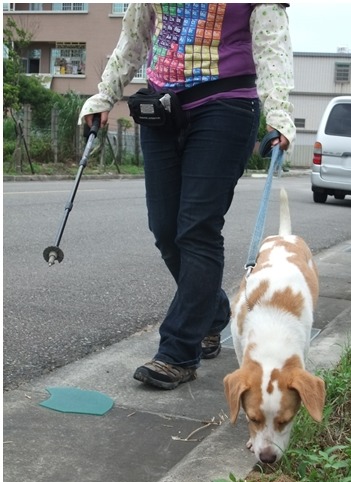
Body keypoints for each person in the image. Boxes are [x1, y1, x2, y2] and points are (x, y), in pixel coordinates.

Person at [79, 3, 295, 390]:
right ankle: (211, 313)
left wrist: (279, 112)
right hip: (162, 106)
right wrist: (103, 96)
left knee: (196, 229)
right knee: (164, 228)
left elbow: (272, 45)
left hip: (226, 106)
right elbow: (134, 37)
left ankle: (177, 352)